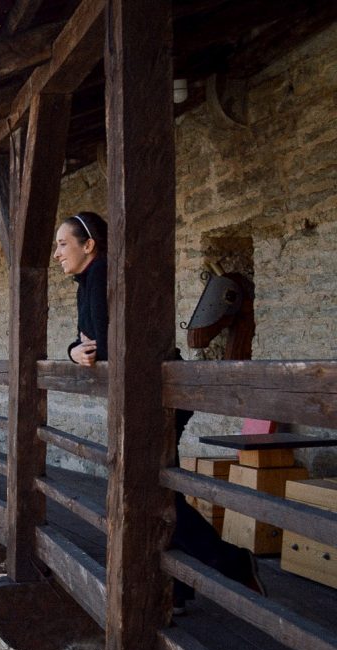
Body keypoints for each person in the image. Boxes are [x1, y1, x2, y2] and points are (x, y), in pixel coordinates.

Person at [55, 211, 265, 612]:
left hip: (157, 393)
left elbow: (112, 344)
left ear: (89, 245)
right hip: (146, 394)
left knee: (151, 491)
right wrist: (72, 350)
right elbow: (88, 340)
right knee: (159, 491)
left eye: (63, 244)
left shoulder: (102, 275)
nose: (56, 254)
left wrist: (91, 346)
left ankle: (229, 564)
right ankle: (184, 584)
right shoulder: (88, 280)